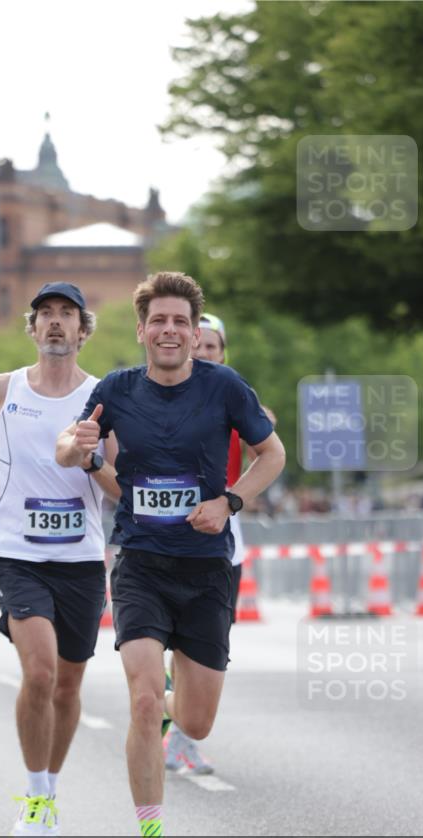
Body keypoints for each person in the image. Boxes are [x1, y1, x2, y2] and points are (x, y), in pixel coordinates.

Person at [57, 272, 286, 838]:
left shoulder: (225, 387)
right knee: (139, 699)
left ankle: (168, 702)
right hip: (139, 563)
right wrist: (85, 453)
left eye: (180, 321)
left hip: (206, 569)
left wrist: (229, 504)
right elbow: (79, 449)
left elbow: (273, 455)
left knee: (198, 721)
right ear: (141, 329)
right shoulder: (115, 389)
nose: (169, 330)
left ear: (194, 332)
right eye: (158, 320)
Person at [0, 281, 120, 838]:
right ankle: (34, 798)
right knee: (42, 672)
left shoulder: (107, 396)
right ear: (32, 328)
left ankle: (48, 789)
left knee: (69, 685)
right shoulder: (3, 388)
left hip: (79, 557)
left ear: (83, 329)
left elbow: (118, 487)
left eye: (66, 315)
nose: (55, 323)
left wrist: (90, 457)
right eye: (45, 314)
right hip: (14, 551)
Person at [164, 313, 277, 774]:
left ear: (223, 354)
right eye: (199, 345)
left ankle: (183, 730)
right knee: (174, 644)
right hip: (171, 535)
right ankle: (172, 727)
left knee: (210, 644)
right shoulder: (168, 399)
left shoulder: (232, 398)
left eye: (213, 347)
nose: (204, 352)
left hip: (225, 536)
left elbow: (266, 446)